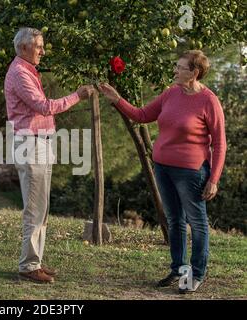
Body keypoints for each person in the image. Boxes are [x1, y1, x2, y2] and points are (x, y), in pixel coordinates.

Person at [98, 50, 226, 293]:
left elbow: (219, 143)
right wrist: (116, 99)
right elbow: (142, 115)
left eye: (180, 67)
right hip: (164, 168)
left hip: (192, 173)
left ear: (194, 72)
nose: (175, 71)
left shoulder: (209, 101)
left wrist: (214, 178)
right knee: (174, 220)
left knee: (197, 224)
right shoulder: (171, 93)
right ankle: (179, 268)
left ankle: (196, 274)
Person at [4, 27, 93, 283]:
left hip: (39, 144)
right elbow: (44, 107)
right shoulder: (20, 73)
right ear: (23, 48)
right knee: (34, 209)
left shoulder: (28, 70)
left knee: (41, 208)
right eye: (39, 46)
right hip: (30, 145)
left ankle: (35, 261)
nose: (43, 50)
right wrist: (78, 95)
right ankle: (29, 265)